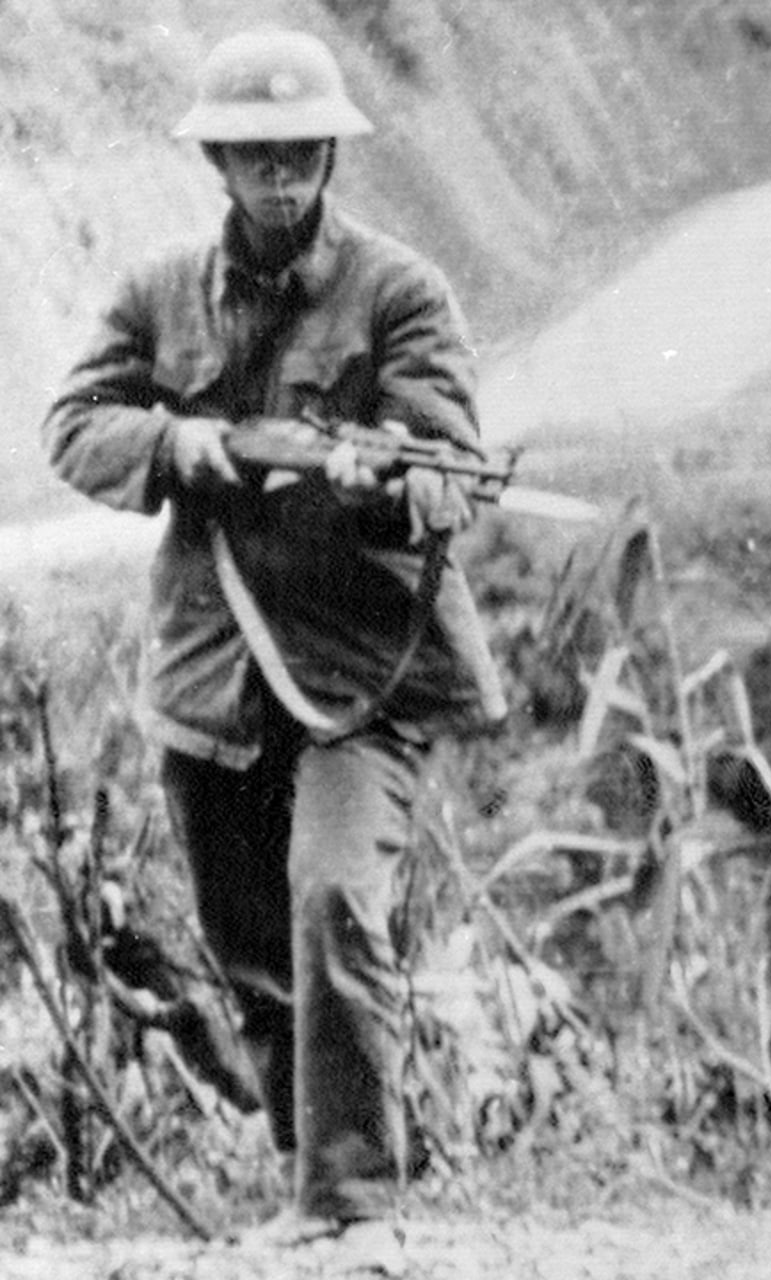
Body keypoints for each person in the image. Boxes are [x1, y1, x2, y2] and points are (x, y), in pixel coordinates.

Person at [42, 28, 504, 1250]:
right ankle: (309, 1171)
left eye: (301, 158)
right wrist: (172, 447)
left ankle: (352, 1202)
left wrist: (381, 478)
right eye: (258, 161)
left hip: (365, 669)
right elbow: (75, 422)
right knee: (248, 937)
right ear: (223, 169)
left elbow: (444, 457)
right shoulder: (158, 294)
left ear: (329, 161)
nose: (282, 182)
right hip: (215, 665)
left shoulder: (400, 290)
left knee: (336, 893)